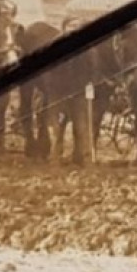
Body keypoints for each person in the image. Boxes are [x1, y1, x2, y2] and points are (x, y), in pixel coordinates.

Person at [45, 17, 96, 167]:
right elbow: (48, 71)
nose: (74, 28)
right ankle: (55, 158)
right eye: (70, 26)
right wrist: (54, 89)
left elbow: (93, 67)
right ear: (64, 27)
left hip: (78, 93)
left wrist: (89, 83)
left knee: (81, 126)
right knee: (58, 126)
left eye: (76, 25)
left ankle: (83, 158)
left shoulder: (86, 46)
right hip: (59, 93)